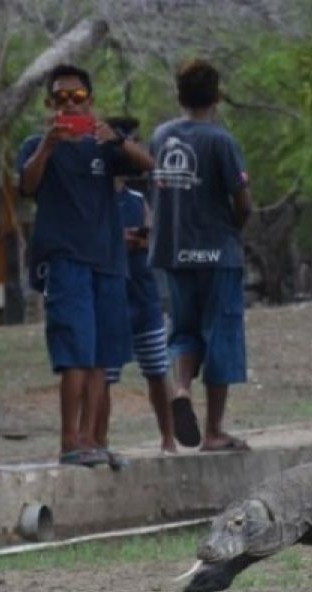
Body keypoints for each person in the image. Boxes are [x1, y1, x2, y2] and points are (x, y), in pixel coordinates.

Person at [16, 64, 154, 467]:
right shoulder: (35, 144)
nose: (68, 103)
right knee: (74, 354)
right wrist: (49, 145)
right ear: (48, 103)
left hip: (109, 262)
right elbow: (26, 186)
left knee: (101, 357)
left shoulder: (103, 144)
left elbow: (148, 165)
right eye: (60, 97)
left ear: (90, 101)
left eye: (76, 97)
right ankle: (69, 441)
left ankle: (94, 439)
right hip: (65, 261)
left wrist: (118, 140)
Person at [147, 58, 253, 452]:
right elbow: (242, 201)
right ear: (217, 96)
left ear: (180, 95)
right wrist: (233, 230)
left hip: (173, 253)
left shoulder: (160, 137)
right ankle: (213, 431)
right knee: (220, 334)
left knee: (184, 330)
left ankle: (180, 389)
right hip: (216, 254)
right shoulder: (221, 141)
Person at [95, 116, 177, 458]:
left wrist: (144, 240)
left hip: (143, 296)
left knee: (157, 370)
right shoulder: (96, 199)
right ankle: (99, 442)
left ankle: (169, 440)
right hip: (111, 297)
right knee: (105, 377)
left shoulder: (136, 199)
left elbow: (155, 231)